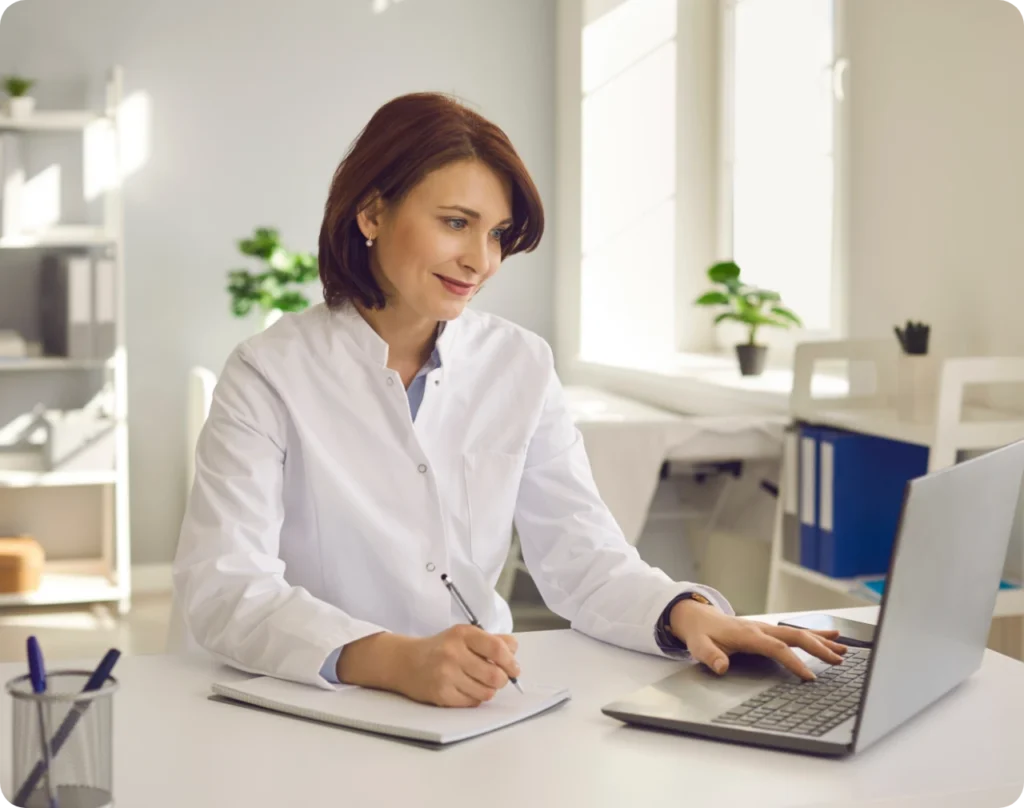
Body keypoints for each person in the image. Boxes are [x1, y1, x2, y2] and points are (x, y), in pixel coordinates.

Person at [173, 92, 846, 708]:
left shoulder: (520, 364)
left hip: (480, 705)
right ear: (372, 212)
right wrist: (393, 661)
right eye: (456, 222)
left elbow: (583, 559)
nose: (481, 260)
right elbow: (227, 588)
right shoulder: (268, 373)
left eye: (496, 234)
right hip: (314, 707)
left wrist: (686, 613)